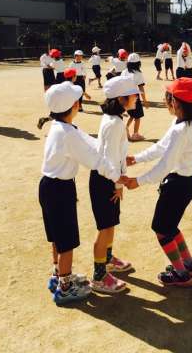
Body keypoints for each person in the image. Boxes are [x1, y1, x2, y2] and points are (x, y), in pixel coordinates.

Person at [39, 82, 123, 305]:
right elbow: (94, 160)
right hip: (60, 190)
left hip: (48, 186)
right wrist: (118, 176)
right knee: (67, 241)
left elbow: (91, 143)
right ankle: (65, 288)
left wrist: (107, 149)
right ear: (74, 105)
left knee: (57, 236)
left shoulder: (61, 126)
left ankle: (58, 275)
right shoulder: (67, 133)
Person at [122, 77, 192, 288]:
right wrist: (137, 158)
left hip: (178, 185)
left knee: (161, 228)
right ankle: (189, 264)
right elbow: (161, 147)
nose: (165, 101)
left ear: (175, 101)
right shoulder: (184, 121)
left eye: (167, 97)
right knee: (170, 226)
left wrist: (138, 181)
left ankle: (181, 273)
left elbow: (165, 165)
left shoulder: (180, 129)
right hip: (187, 181)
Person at [89, 76, 139, 294]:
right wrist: (120, 182)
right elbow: (109, 160)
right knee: (105, 227)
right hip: (105, 180)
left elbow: (116, 155)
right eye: (133, 94)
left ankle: (107, 260)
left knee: (111, 223)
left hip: (109, 178)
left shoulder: (113, 118)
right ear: (121, 99)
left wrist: (118, 181)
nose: (136, 97)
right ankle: (99, 276)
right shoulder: (115, 124)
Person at [122, 53, 149, 141]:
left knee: (132, 115)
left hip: (125, 96)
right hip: (134, 97)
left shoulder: (124, 72)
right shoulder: (138, 73)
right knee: (137, 117)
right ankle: (135, 134)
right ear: (138, 63)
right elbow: (141, 88)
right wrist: (145, 100)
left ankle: (125, 128)